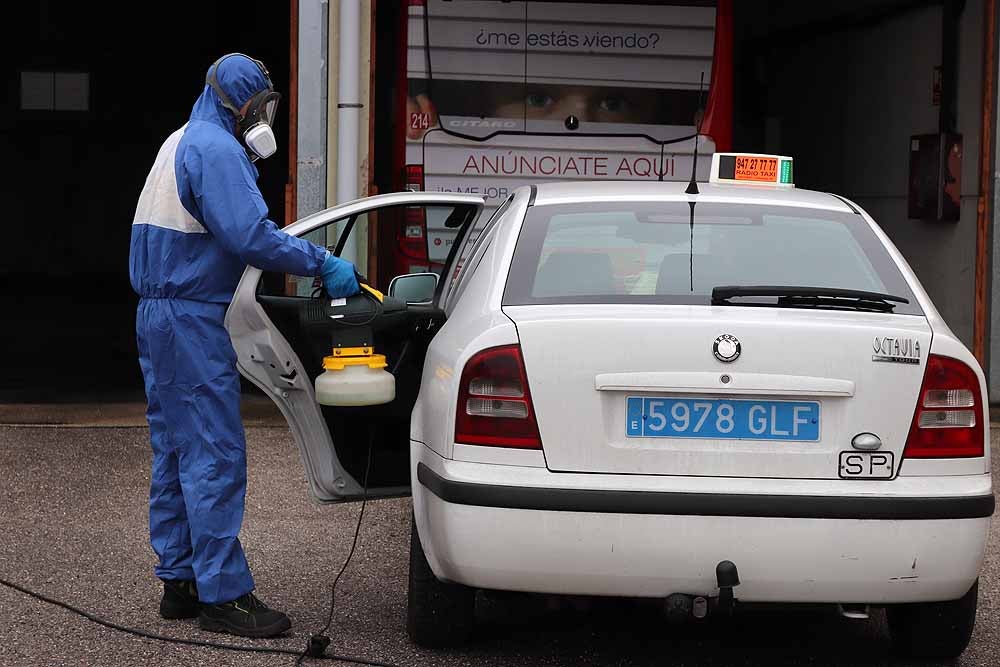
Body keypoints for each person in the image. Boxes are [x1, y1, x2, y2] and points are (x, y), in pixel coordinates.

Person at [129, 53, 358, 638]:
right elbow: (251, 235)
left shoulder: (178, 140)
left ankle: (180, 583)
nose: (265, 118)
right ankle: (224, 595)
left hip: (159, 314)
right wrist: (322, 262)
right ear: (243, 105)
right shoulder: (218, 150)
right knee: (214, 452)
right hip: (190, 316)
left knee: (178, 450)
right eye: (263, 107)